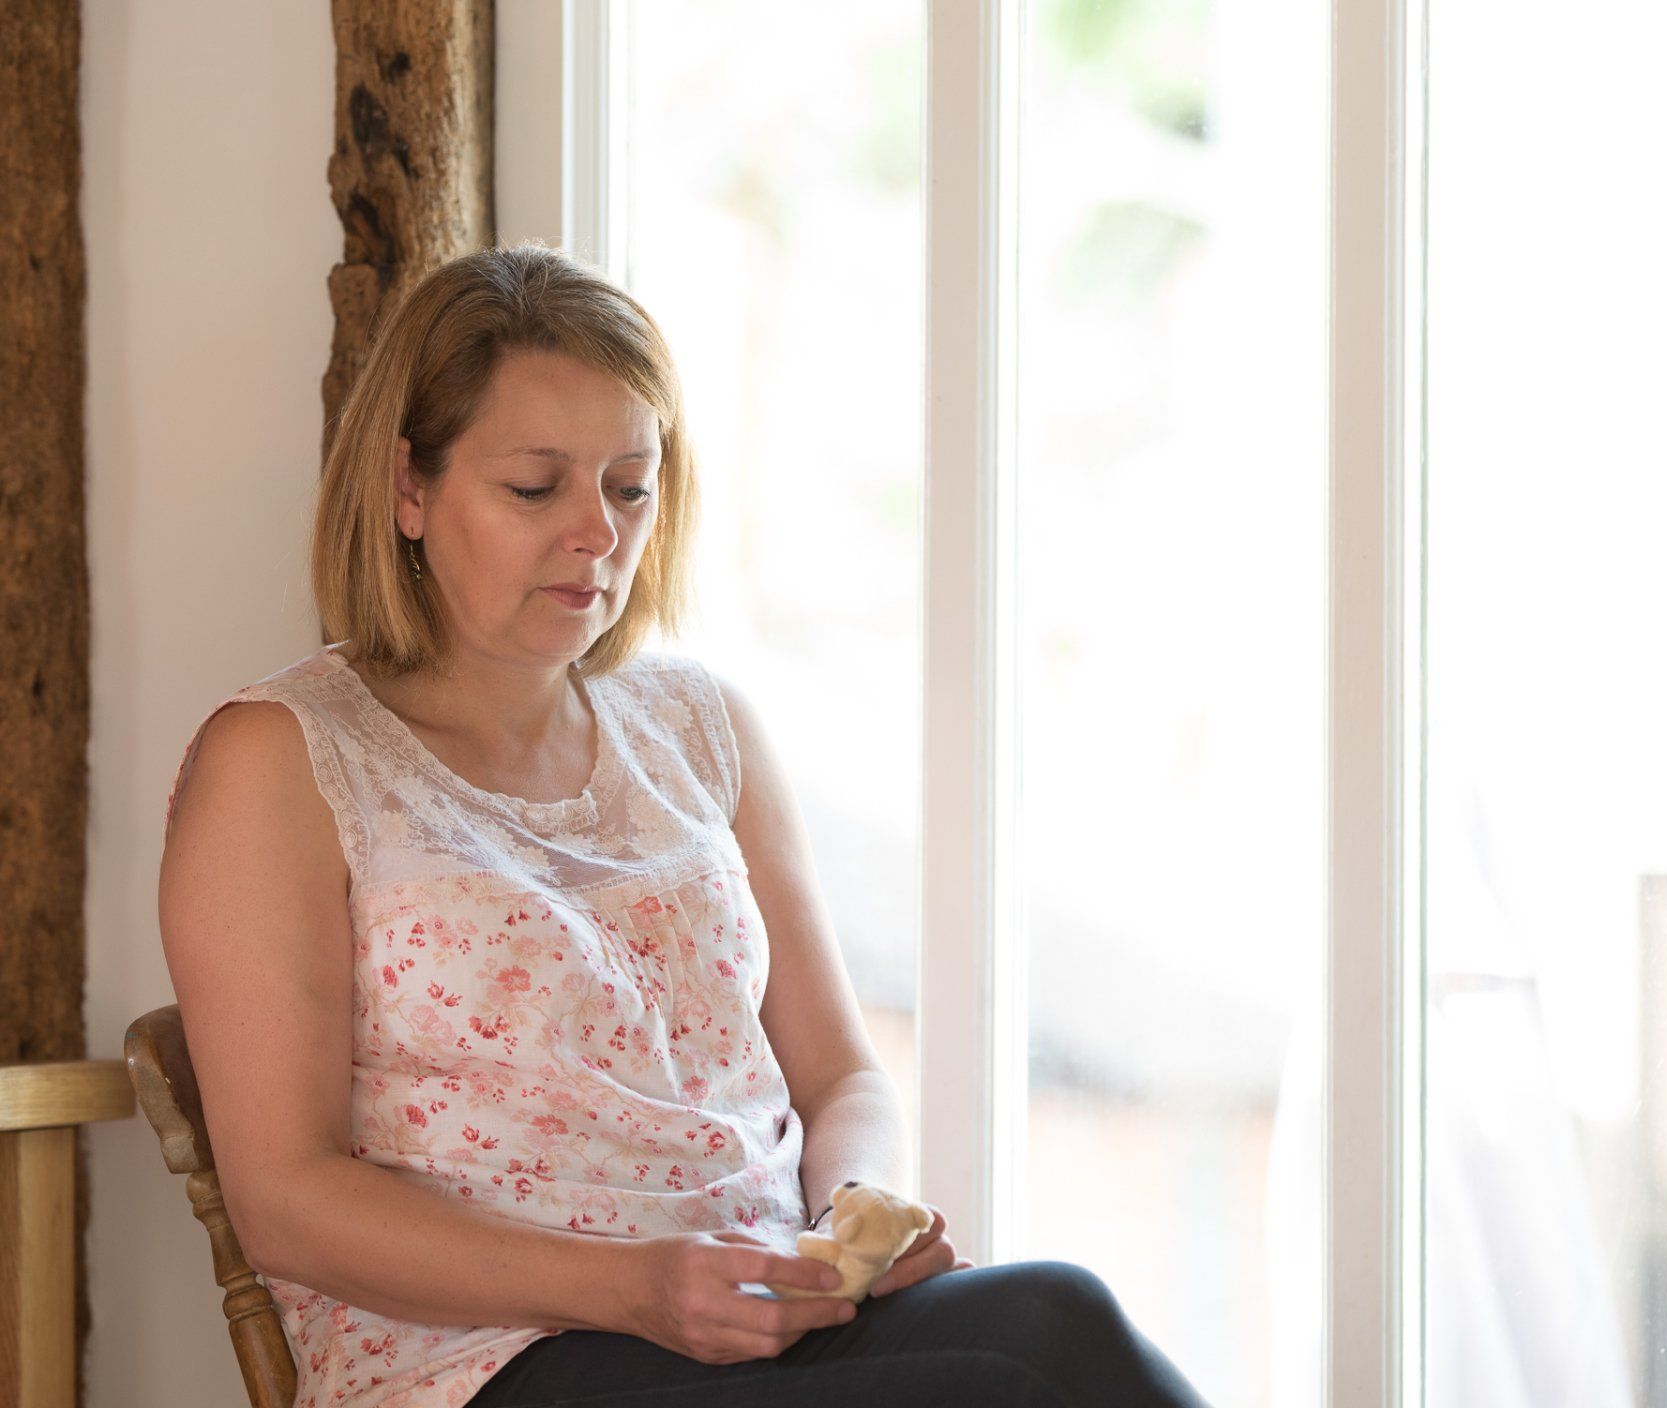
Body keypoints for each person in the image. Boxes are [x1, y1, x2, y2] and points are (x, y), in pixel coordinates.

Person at [157, 244, 1210, 1408]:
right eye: (535, 487)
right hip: (492, 1361)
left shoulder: (701, 726)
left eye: (629, 485)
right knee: (1007, 1379)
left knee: (1056, 1311)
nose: (598, 534)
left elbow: (841, 1074)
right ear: (410, 486)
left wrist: (853, 1205)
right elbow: (287, 1201)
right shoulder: (283, 760)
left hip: (763, 1323)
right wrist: (635, 1286)